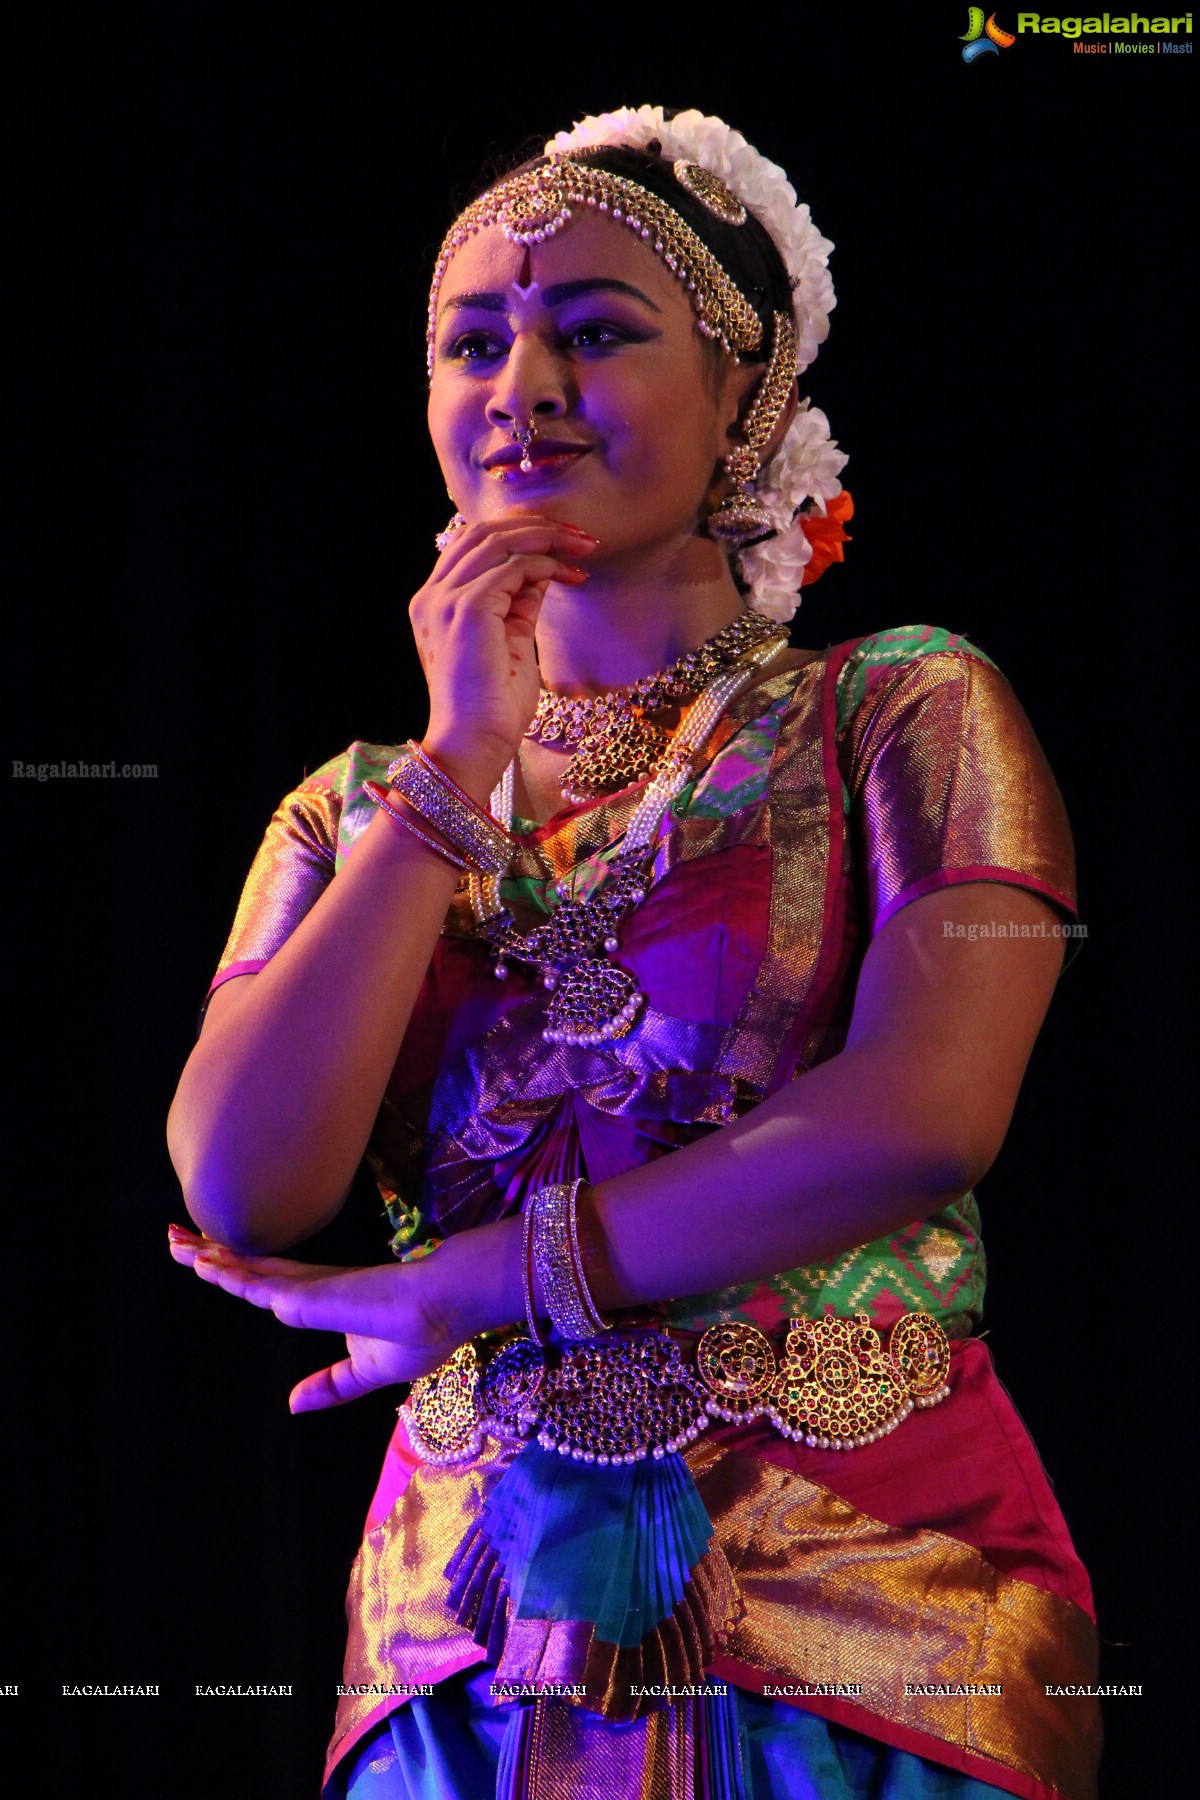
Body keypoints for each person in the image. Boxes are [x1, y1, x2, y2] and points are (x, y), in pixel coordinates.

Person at [167, 106, 1101, 1800]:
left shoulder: (893, 707)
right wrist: (455, 772)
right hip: (465, 1646)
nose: (521, 383)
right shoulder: (352, 810)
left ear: (745, 393)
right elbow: (243, 1182)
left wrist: (472, 1281)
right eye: (472, 343)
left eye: (595, 332)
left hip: (868, 1607)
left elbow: (924, 1116)